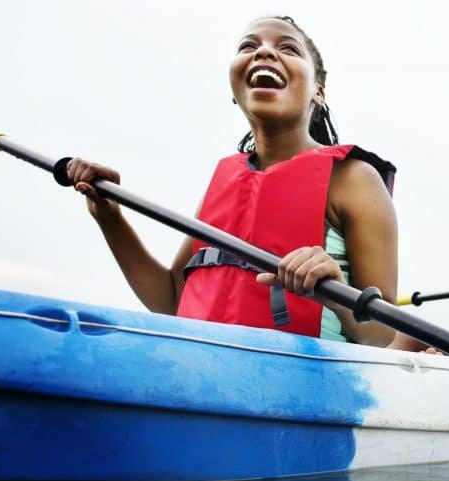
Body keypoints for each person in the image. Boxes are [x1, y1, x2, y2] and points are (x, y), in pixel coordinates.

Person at [65, 16, 398, 346]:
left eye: (288, 48)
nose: (264, 52)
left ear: (318, 92)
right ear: (235, 91)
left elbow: (382, 333)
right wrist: (110, 219)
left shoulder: (355, 179)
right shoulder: (225, 181)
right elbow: (171, 299)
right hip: (202, 375)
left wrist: (338, 297)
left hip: (303, 384)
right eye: (249, 46)